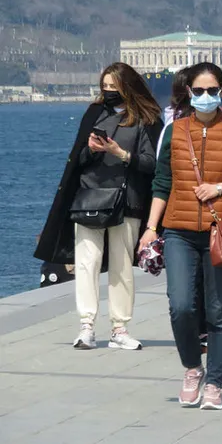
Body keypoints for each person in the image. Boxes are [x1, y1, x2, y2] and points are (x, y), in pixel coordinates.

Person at [139, 63, 222, 410]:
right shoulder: (174, 131)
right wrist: (150, 229)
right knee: (181, 306)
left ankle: (215, 383)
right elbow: (162, 183)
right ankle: (193, 368)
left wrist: (220, 188)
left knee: (218, 311)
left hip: (220, 230)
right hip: (178, 230)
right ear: (189, 93)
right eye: (198, 91)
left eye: (212, 91)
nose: (205, 97)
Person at [36, 63, 162, 351]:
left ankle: (120, 327)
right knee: (86, 262)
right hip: (89, 198)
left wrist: (121, 153)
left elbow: (152, 164)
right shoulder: (94, 113)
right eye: (104, 87)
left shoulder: (147, 119)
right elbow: (76, 159)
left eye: (113, 88)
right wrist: (90, 150)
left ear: (127, 88)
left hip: (127, 200)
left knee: (121, 267)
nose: (108, 93)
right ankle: (86, 326)